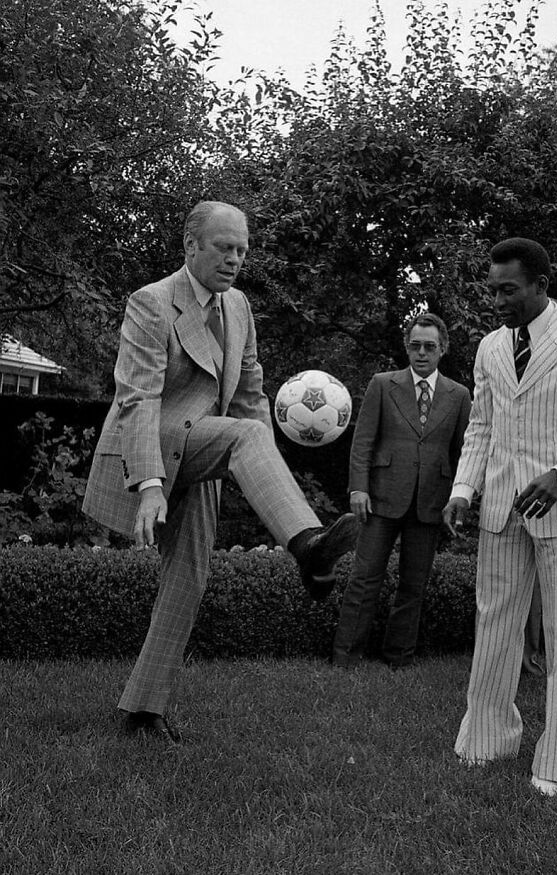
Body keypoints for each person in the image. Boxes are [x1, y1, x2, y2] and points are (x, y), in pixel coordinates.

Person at [83, 201, 358, 742]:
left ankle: (143, 710)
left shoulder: (240, 308)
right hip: (153, 449)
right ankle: (309, 548)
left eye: (242, 250)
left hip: (206, 450)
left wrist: (266, 484)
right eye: (224, 247)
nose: (235, 259)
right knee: (248, 434)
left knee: (190, 577)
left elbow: (252, 398)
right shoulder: (152, 302)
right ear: (191, 245)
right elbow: (138, 400)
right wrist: (150, 487)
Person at [443, 238, 557, 796]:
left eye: (508, 289)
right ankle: (486, 741)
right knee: (494, 627)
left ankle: (553, 764)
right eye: (492, 289)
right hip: (500, 509)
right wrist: (463, 489)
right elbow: (481, 427)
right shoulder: (489, 348)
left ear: (541, 285)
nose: (497, 299)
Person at [332, 313, 471, 668]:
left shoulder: (458, 396)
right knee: (364, 578)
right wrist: (358, 489)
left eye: (429, 347)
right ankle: (346, 656)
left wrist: (458, 497)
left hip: (429, 502)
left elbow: (462, 453)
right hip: (380, 499)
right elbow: (362, 442)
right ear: (406, 347)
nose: (421, 353)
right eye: (415, 346)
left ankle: (399, 656)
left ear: (443, 349)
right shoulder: (383, 384)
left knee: (414, 583)